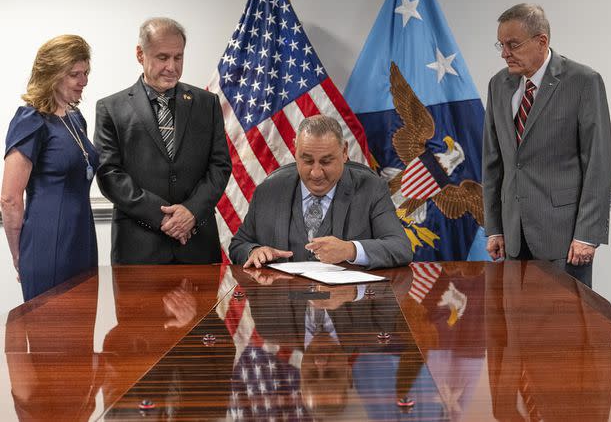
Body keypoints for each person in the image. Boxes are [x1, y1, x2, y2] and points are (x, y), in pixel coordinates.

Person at [482, 3, 611, 287]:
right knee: (518, 329)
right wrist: (494, 229)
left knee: (567, 329)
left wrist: (587, 235)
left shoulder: (583, 81)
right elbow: (493, 162)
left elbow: (597, 164)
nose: (504, 53)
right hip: (514, 237)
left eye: (512, 44)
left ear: (541, 41)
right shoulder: (498, 85)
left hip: (564, 240)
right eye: (501, 45)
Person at [94, 17, 231, 264]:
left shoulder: (206, 104)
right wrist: (164, 218)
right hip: (138, 249)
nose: (172, 67)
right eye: (162, 57)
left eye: (178, 57)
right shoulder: (111, 108)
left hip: (197, 244)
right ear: (140, 54)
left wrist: (191, 211)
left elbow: (219, 166)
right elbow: (110, 175)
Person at [229, 114, 412, 269]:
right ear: (295, 150)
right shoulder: (268, 191)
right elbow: (238, 245)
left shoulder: (372, 189)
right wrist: (254, 251)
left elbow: (400, 248)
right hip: (283, 306)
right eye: (307, 161)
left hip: (347, 305)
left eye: (326, 161)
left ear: (344, 151)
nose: (316, 173)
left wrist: (350, 250)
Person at [1, 35, 98, 301]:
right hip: (46, 241)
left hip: (83, 238)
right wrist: (18, 252)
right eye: (74, 74)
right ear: (51, 75)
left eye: (86, 72)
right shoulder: (30, 120)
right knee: (53, 337)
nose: (84, 81)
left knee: (82, 335)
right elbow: (9, 198)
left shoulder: (75, 118)